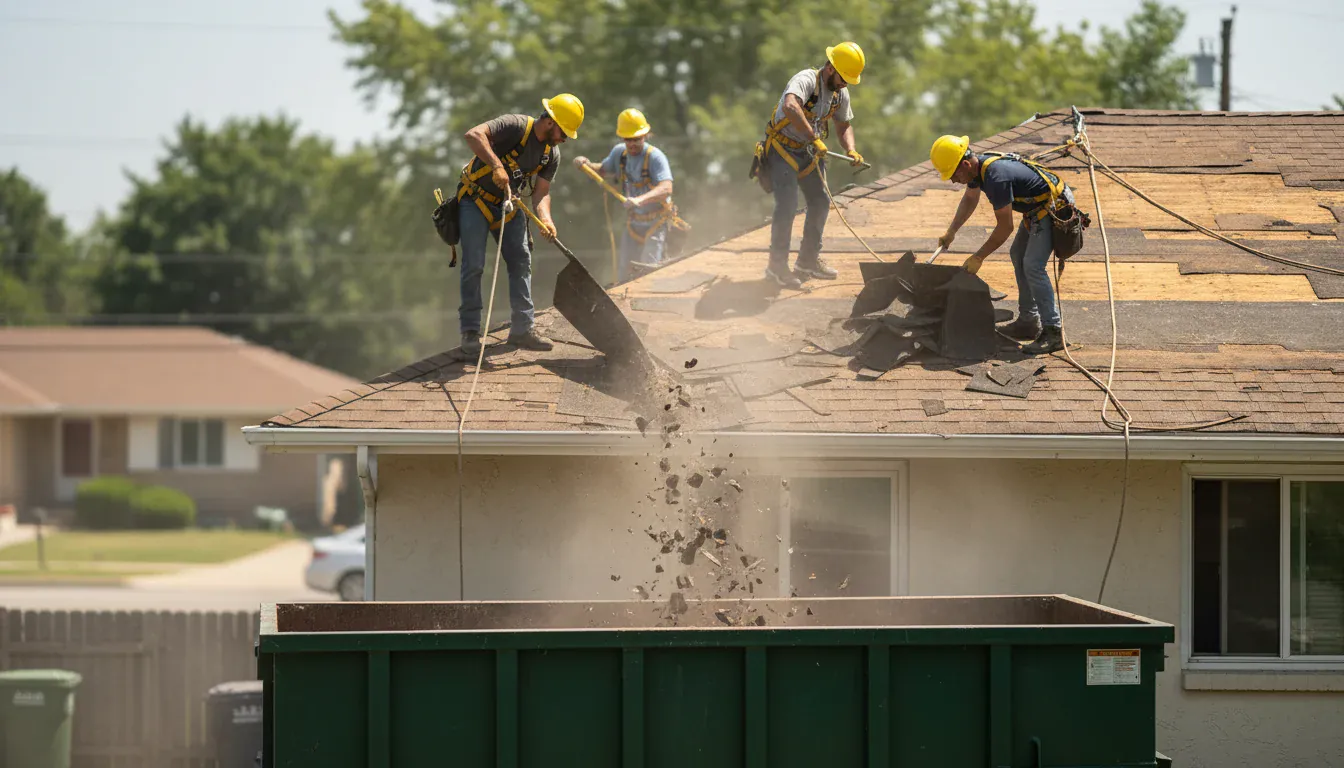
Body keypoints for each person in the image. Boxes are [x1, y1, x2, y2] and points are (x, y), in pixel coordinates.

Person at [453, 93, 585, 356]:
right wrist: (496, 166)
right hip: (475, 201)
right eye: (564, 133)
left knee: (521, 261)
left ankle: (522, 329)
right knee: (474, 265)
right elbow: (473, 135)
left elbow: (542, 193)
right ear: (550, 122)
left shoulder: (551, 154)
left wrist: (546, 220)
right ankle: (470, 332)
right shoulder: (515, 125)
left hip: (509, 206)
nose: (564, 139)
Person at [929, 134, 1075, 355]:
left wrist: (979, 257)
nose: (953, 181)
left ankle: (1053, 331)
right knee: (1018, 255)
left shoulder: (996, 177)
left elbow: (1005, 227)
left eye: (953, 174)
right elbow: (970, 199)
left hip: (1053, 207)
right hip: (1035, 209)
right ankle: (1029, 321)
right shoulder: (978, 169)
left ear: (965, 164)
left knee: (1033, 265)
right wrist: (952, 231)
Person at [754, 41, 867, 290]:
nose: (845, 84)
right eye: (843, 78)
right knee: (787, 205)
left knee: (820, 202)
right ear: (830, 68)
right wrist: (813, 138)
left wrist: (851, 149)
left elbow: (843, 125)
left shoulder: (840, 93)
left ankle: (807, 261)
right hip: (782, 149)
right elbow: (790, 106)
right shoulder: (806, 80)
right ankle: (776, 268)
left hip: (808, 153)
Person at [573, 108, 679, 283]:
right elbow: (603, 170)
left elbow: (666, 188)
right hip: (634, 224)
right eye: (628, 139)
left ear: (645, 135)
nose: (632, 144)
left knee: (648, 269)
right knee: (625, 271)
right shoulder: (619, 154)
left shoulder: (655, 157)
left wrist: (640, 200)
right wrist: (586, 165)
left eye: (636, 139)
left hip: (656, 223)